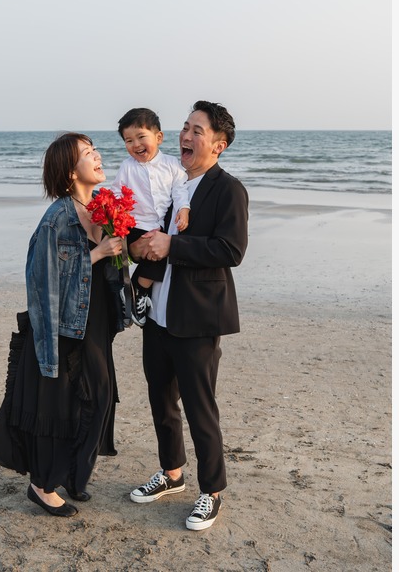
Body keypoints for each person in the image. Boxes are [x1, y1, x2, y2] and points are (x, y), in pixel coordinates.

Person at [0, 133, 135, 518]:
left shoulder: (102, 206)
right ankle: (41, 486)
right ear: (69, 173)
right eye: (87, 153)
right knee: (61, 408)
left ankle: (72, 474)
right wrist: (97, 254)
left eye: (95, 149)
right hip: (65, 327)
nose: (98, 156)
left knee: (98, 399)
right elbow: (42, 282)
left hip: (95, 323)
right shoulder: (57, 220)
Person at [126, 101, 248, 531]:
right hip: (158, 315)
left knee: (200, 408)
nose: (186, 137)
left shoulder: (227, 189)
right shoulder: (173, 184)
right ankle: (172, 474)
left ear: (219, 144)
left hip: (198, 317)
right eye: (184, 128)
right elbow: (148, 237)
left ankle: (212, 492)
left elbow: (230, 250)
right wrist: (134, 247)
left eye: (197, 131)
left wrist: (172, 246)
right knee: (161, 400)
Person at [107, 107, 190, 326]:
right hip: (135, 224)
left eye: (141, 137)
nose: (135, 145)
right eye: (128, 141)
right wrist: (115, 212)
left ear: (159, 137)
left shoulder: (172, 165)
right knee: (154, 257)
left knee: (160, 256)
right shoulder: (127, 167)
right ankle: (138, 293)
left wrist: (184, 209)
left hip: (160, 226)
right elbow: (116, 191)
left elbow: (180, 190)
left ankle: (136, 290)